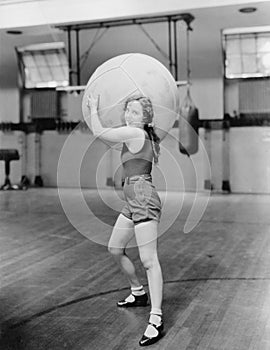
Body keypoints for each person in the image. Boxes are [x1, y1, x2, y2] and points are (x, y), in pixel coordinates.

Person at [86, 94, 164, 346]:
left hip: (142, 194)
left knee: (149, 260)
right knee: (115, 248)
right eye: (127, 111)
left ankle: (156, 320)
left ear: (145, 119)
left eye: (134, 112)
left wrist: (92, 107)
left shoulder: (134, 134)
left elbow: (98, 131)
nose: (128, 116)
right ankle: (138, 293)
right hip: (133, 195)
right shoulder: (138, 134)